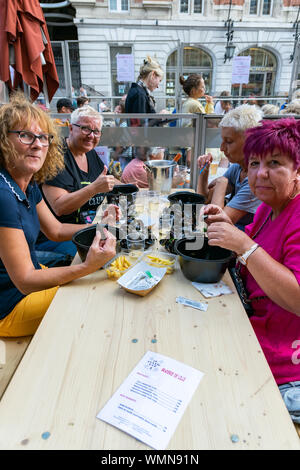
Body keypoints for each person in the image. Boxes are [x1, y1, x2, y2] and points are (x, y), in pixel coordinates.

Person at [201, 118, 300, 423]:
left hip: (284, 370)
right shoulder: (268, 208)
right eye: (254, 163)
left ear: (298, 169)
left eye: (274, 163)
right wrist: (226, 225)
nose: (260, 174)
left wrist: (244, 246)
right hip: (248, 331)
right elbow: (255, 256)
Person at [0, 93, 116, 337]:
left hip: (28, 279)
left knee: (102, 280)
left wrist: (103, 229)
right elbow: (25, 280)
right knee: (96, 297)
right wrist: (86, 266)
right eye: (25, 135)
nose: (38, 144)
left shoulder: (26, 183)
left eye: (43, 137)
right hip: (9, 305)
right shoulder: (3, 195)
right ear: (3, 140)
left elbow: (56, 230)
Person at [36, 105, 118, 261]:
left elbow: (109, 179)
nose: (91, 136)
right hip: (60, 239)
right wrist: (94, 189)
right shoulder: (56, 157)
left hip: (91, 226)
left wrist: (138, 188)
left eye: (96, 131)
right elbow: (60, 207)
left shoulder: (89, 152)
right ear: (70, 127)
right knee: (108, 257)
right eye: (85, 129)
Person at [197, 104, 263, 230]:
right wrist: (203, 172)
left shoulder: (255, 180)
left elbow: (215, 224)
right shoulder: (238, 168)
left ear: (250, 142)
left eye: (228, 141)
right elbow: (204, 200)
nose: (222, 148)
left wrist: (221, 183)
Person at [180, 74, 214, 166]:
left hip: (188, 141)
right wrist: (210, 104)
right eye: (202, 86)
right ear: (194, 90)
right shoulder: (195, 104)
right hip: (193, 143)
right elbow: (209, 121)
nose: (204, 89)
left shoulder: (189, 102)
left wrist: (207, 104)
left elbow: (203, 116)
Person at [125, 56, 164, 126]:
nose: (158, 86)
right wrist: (159, 117)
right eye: (159, 80)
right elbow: (141, 128)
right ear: (153, 75)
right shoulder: (140, 94)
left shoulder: (138, 91)